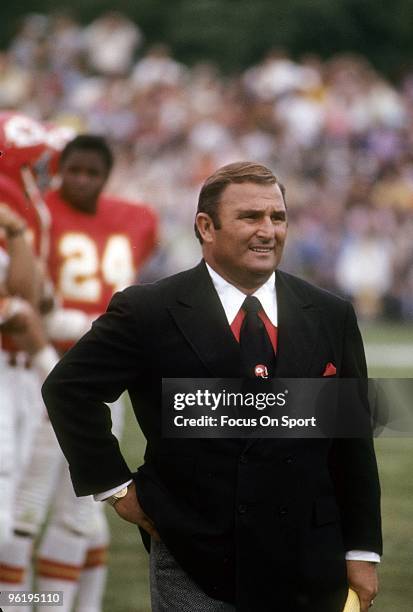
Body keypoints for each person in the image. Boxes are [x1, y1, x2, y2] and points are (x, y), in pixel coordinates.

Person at [42, 162, 382, 612]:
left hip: (309, 557)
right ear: (206, 226)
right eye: (250, 218)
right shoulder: (148, 310)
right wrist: (117, 488)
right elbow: (69, 388)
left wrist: (361, 552)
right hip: (193, 554)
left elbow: (351, 441)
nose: (268, 231)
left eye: (277, 218)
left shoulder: (330, 313)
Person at [9, 133, 157, 612]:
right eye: (74, 170)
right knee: (23, 511)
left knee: (83, 516)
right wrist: (103, 325)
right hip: (44, 373)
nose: (82, 181)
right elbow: (33, 304)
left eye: (93, 172)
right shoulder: (39, 215)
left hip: (105, 380)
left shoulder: (137, 218)